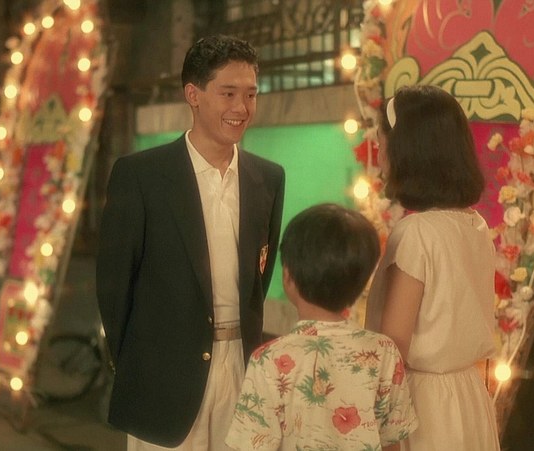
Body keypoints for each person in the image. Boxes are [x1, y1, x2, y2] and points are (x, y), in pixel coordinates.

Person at [96, 34, 286, 450]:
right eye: (228, 93)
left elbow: (259, 277)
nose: (242, 108)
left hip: (241, 369)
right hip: (162, 377)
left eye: (251, 94)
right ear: (193, 95)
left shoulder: (268, 178)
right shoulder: (141, 176)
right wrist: (138, 365)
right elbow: (114, 287)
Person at [365, 85, 501, 450]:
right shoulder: (474, 226)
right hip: (470, 397)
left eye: (382, 142)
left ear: (407, 150)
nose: (378, 152)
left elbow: (393, 348)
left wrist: (386, 436)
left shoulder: (416, 233)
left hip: (424, 406)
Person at [226, 203, 417, 450]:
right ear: (362, 282)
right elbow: (392, 442)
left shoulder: (268, 360)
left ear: (288, 276)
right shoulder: (384, 351)